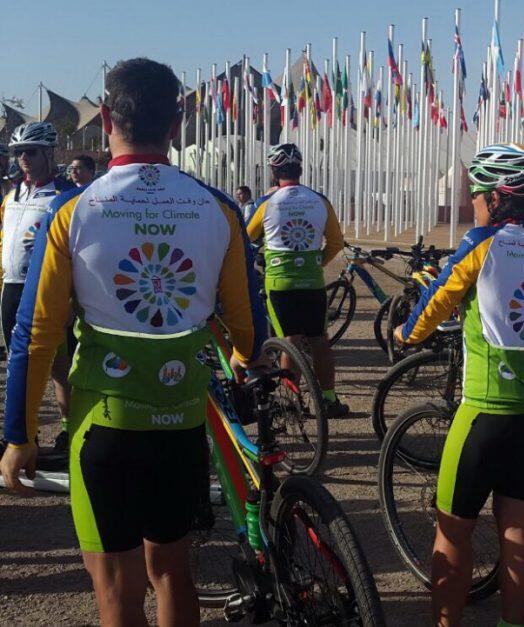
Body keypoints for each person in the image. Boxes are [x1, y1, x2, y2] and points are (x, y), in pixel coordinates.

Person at [1, 57, 264, 626]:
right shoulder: (219, 207)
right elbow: (247, 329)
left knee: (116, 587)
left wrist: (19, 435)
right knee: (172, 571)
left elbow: (35, 335)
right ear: (176, 126)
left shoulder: (72, 210)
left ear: (107, 117)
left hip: (103, 424)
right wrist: (242, 358)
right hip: (182, 421)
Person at [394, 143, 524, 627]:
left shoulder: (481, 242)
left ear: (495, 197)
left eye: (474, 192)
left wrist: (404, 333)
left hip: (489, 411)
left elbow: (438, 300)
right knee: (516, 523)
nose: (471, 201)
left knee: (451, 532)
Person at [246, 143, 348, 417]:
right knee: (319, 340)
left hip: (280, 283)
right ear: (301, 169)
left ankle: (293, 403)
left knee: (289, 341)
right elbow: (336, 242)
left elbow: (247, 237)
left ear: (273, 171)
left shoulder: (267, 204)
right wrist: (316, 262)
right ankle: (328, 399)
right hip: (312, 281)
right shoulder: (319, 199)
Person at [1, 121, 74, 452]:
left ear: (49, 152)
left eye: (30, 152)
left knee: (59, 367)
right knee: (19, 362)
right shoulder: (11, 195)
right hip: (12, 288)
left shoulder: (64, 195)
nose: (23, 159)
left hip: (48, 289)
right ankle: (23, 435)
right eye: (18, 153)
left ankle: (67, 430)